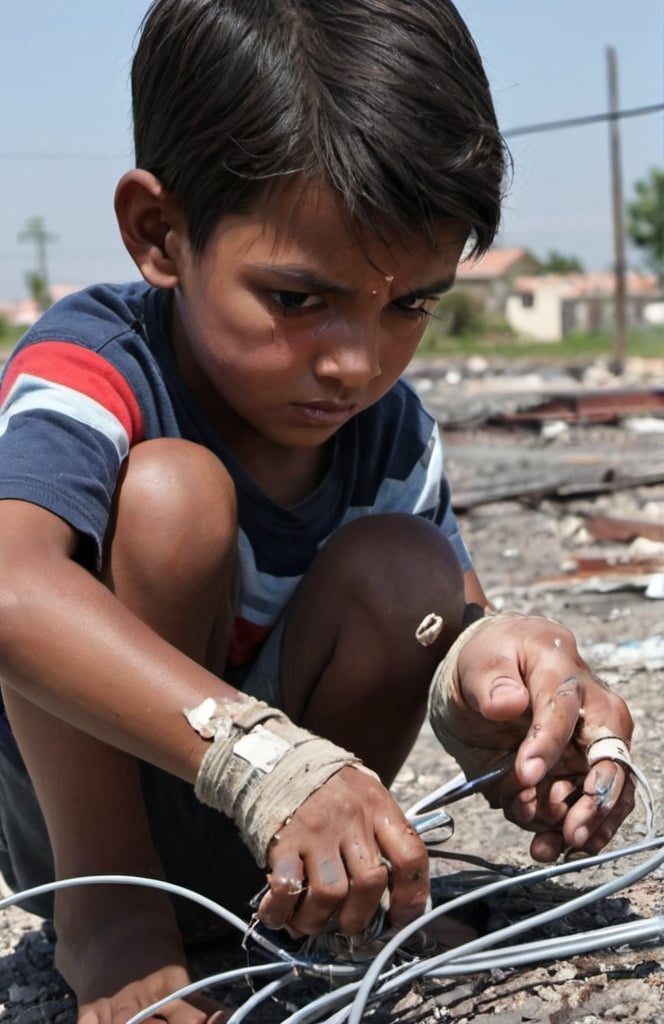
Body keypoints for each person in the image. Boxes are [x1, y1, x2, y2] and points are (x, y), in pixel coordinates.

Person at [0, 1, 635, 1022]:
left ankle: (315, 903)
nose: (356, 361)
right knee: (172, 498)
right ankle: (115, 916)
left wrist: (515, 699)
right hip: (91, 807)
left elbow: (449, 623)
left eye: (410, 304)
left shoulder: (390, 432)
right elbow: (10, 588)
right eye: (297, 300)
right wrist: (261, 756)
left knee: (406, 566)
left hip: (287, 812)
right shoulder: (95, 362)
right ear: (160, 234)